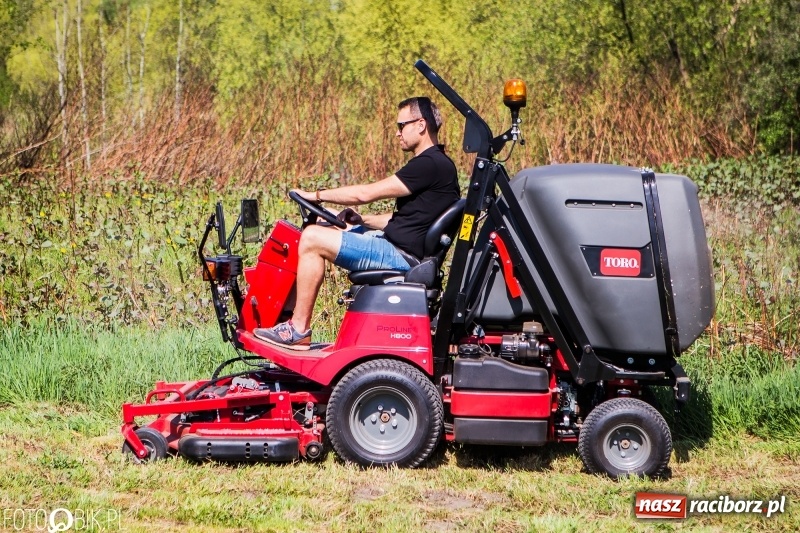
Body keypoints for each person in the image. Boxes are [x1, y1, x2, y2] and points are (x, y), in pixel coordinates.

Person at [254, 96, 460, 350]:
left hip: (398, 255)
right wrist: (361, 221)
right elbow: (408, 221)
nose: (397, 133)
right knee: (331, 228)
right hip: (399, 247)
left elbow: (366, 194)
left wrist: (315, 195)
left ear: (420, 124)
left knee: (311, 238)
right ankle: (287, 319)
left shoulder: (429, 164)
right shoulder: (439, 165)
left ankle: (297, 329)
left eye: (401, 126)